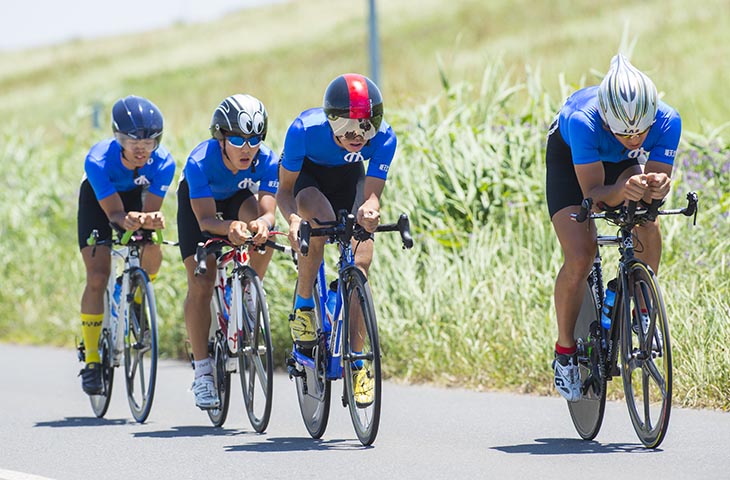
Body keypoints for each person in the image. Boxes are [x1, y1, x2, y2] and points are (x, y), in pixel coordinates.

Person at [545, 54, 681, 401]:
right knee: (581, 255)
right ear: (609, 121)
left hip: (618, 164)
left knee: (645, 215)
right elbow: (593, 196)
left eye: (642, 132)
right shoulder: (583, 121)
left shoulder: (667, 120)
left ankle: (643, 305)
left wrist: (656, 186)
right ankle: (564, 353)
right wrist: (620, 191)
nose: (635, 139)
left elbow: (655, 180)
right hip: (571, 161)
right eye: (625, 132)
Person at [277, 73, 397, 406]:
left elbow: (371, 196)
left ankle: (358, 363)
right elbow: (284, 191)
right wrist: (292, 220)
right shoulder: (303, 131)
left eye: (367, 125)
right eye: (350, 126)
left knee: (361, 257)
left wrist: (371, 211)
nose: (359, 134)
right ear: (332, 120)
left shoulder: (384, 137)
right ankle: (303, 306)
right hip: (309, 182)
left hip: (349, 180)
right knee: (321, 221)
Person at [177, 94, 279, 409]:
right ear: (221, 138)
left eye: (253, 139)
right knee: (202, 280)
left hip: (237, 197)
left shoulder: (268, 160)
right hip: (200, 207)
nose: (246, 147)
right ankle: (204, 374)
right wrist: (230, 228)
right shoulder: (199, 162)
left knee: (266, 236)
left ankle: (249, 290)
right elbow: (207, 220)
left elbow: (267, 211)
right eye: (237, 139)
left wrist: (261, 224)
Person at [77, 95, 176, 395]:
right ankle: (92, 360)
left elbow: (151, 210)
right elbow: (114, 214)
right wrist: (126, 219)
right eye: (133, 141)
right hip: (100, 203)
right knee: (97, 276)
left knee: (153, 246)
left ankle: (133, 297)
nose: (141, 149)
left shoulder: (164, 163)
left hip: (136, 201)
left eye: (149, 142)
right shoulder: (97, 160)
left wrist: (150, 221)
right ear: (118, 137)